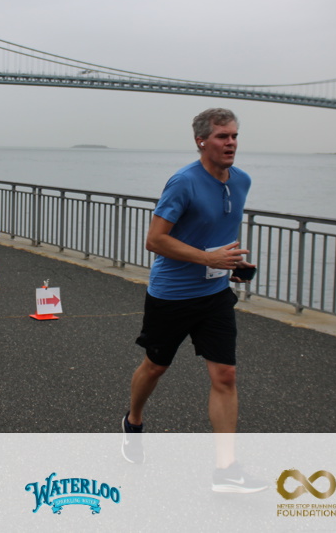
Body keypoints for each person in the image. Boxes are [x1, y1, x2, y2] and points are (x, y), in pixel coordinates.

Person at [121, 107, 266, 494]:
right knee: (156, 366)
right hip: (172, 295)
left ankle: (226, 470)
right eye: (222, 136)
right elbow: (154, 240)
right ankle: (133, 421)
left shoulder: (242, 181)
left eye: (234, 136)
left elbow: (217, 232)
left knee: (225, 375)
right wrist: (207, 258)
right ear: (201, 141)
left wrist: (229, 263)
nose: (231, 143)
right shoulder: (183, 183)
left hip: (214, 294)